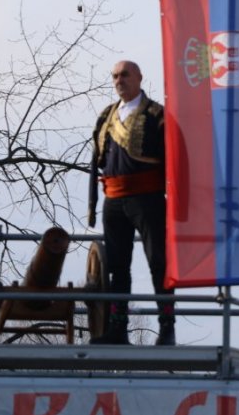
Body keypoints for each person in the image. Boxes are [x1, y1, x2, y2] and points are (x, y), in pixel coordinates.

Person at [87, 60, 175, 346]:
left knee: (158, 262)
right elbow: (96, 161)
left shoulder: (156, 115)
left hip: (147, 198)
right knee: (117, 265)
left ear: (139, 77)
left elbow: (173, 161)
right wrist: (92, 202)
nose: (119, 80)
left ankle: (167, 328)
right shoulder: (106, 115)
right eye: (115, 76)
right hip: (113, 200)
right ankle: (117, 328)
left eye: (124, 74)